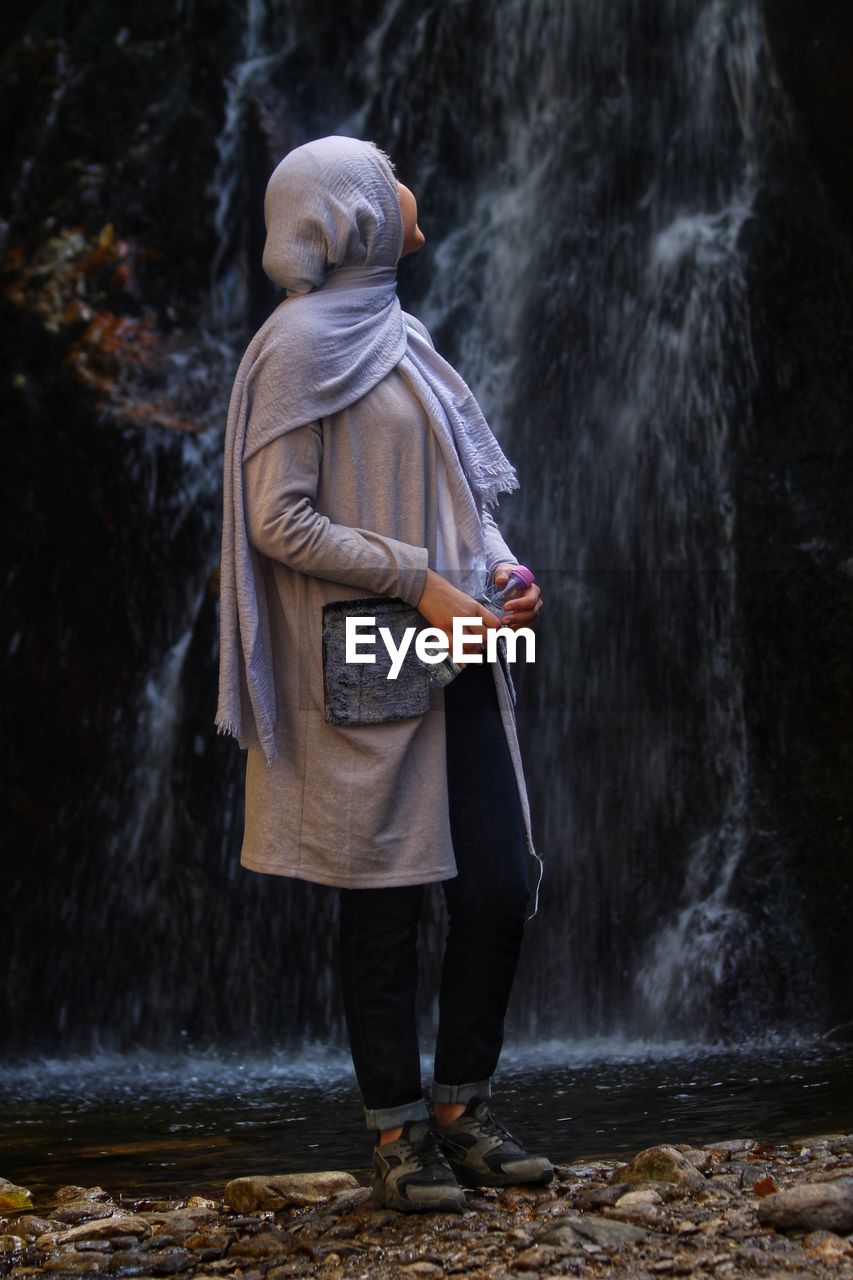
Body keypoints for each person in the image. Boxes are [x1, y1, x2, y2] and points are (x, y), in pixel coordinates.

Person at [217, 135, 550, 1213]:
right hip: (370, 647)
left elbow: (466, 491)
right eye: (389, 173)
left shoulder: (402, 336)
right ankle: (399, 1130)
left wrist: (499, 567)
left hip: (459, 638)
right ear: (355, 209)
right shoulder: (298, 347)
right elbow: (278, 520)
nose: (410, 186)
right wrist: (416, 582)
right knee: (386, 898)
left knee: (500, 881)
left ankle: (464, 1104)